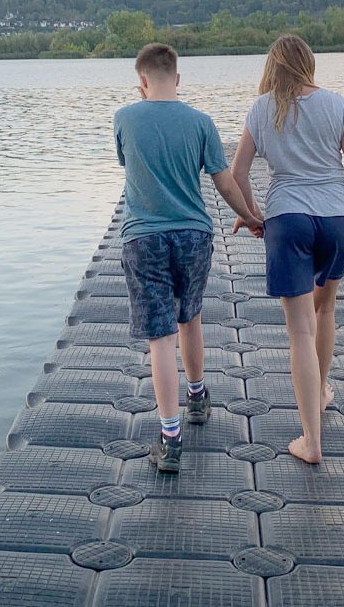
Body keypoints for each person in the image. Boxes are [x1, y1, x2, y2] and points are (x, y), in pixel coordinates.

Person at [231, 35, 344, 464]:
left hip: (288, 219)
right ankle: (319, 393)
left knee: (299, 329)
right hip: (337, 219)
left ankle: (311, 442)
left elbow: (238, 171)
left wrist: (254, 214)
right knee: (325, 310)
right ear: (309, 64)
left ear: (272, 67)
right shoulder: (336, 104)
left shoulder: (262, 109)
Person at [114, 43, 263, 473]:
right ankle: (197, 397)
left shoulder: (125, 118)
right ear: (177, 79)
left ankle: (170, 436)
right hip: (194, 235)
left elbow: (126, 164)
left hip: (143, 238)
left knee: (160, 337)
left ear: (141, 81)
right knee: (190, 317)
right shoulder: (201, 122)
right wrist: (251, 218)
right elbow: (226, 182)